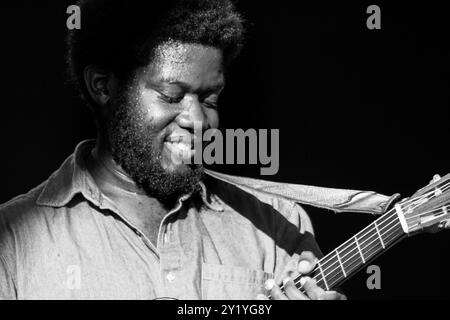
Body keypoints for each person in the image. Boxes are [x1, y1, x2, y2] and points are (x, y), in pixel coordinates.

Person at [0, 0, 395, 300]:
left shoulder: (279, 224)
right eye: (172, 96)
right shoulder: (12, 243)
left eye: (209, 98)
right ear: (104, 87)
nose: (198, 120)